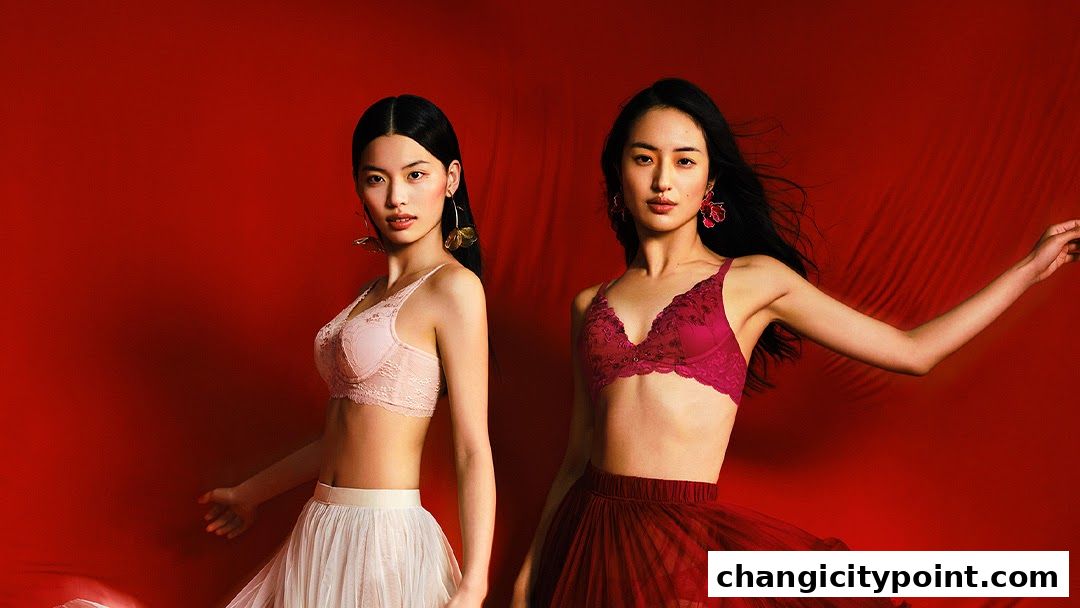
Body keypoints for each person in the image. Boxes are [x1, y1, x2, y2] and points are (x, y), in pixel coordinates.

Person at [513, 78, 1078, 607]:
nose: (663, 181)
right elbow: (573, 460)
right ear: (619, 173)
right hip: (587, 546)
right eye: (644, 159)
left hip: (680, 546)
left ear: (709, 183)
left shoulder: (755, 280)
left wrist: (1027, 269)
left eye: (685, 162)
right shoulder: (590, 305)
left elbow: (914, 353)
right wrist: (528, 575)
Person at [198, 95, 495, 608]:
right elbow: (343, 434)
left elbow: (472, 448)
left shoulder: (454, 289)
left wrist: (474, 583)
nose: (397, 197)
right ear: (359, 186)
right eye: (377, 178)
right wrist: (251, 492)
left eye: (416, 175)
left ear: (450, 179)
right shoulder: (369, 295)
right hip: (320, 527)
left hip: (382, 540)